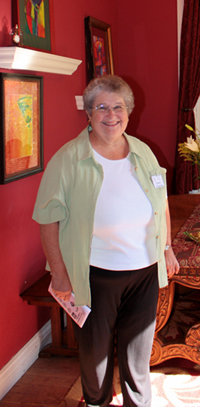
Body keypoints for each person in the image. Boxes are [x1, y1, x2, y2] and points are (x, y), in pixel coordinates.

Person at [32, 75, 179, 407]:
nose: (111, 115)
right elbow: (47, 219)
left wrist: (167, 248)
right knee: (96, 355)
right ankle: (96, 402)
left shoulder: (142, 151)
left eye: (118, 107)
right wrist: (59, 273)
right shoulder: (68, 159)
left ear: (128, 111)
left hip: (144, 269)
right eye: (102, 107)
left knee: (138, 353)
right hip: (96, 273)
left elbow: (162, 201)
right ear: (89, 113)